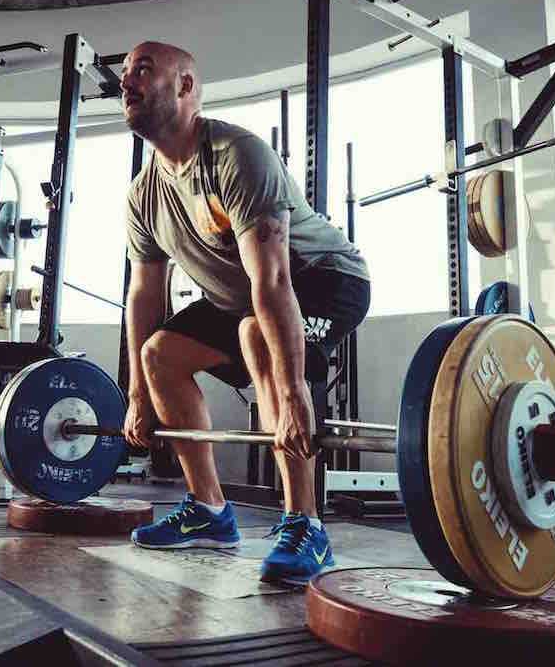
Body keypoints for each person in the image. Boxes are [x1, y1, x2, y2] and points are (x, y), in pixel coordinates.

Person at [119, 41, 371, 585]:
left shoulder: (237, 155)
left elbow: (274, 280)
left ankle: (306, 525)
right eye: (125, 73)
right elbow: (143, 296)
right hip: (241, 299)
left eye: (143, 70)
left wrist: (294, 393)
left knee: (258, 334)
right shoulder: (144, 195)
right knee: (159, 354)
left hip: (327, 279)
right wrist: (137, 394)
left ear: (186, 86)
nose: (126, 81)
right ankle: (209, 511)